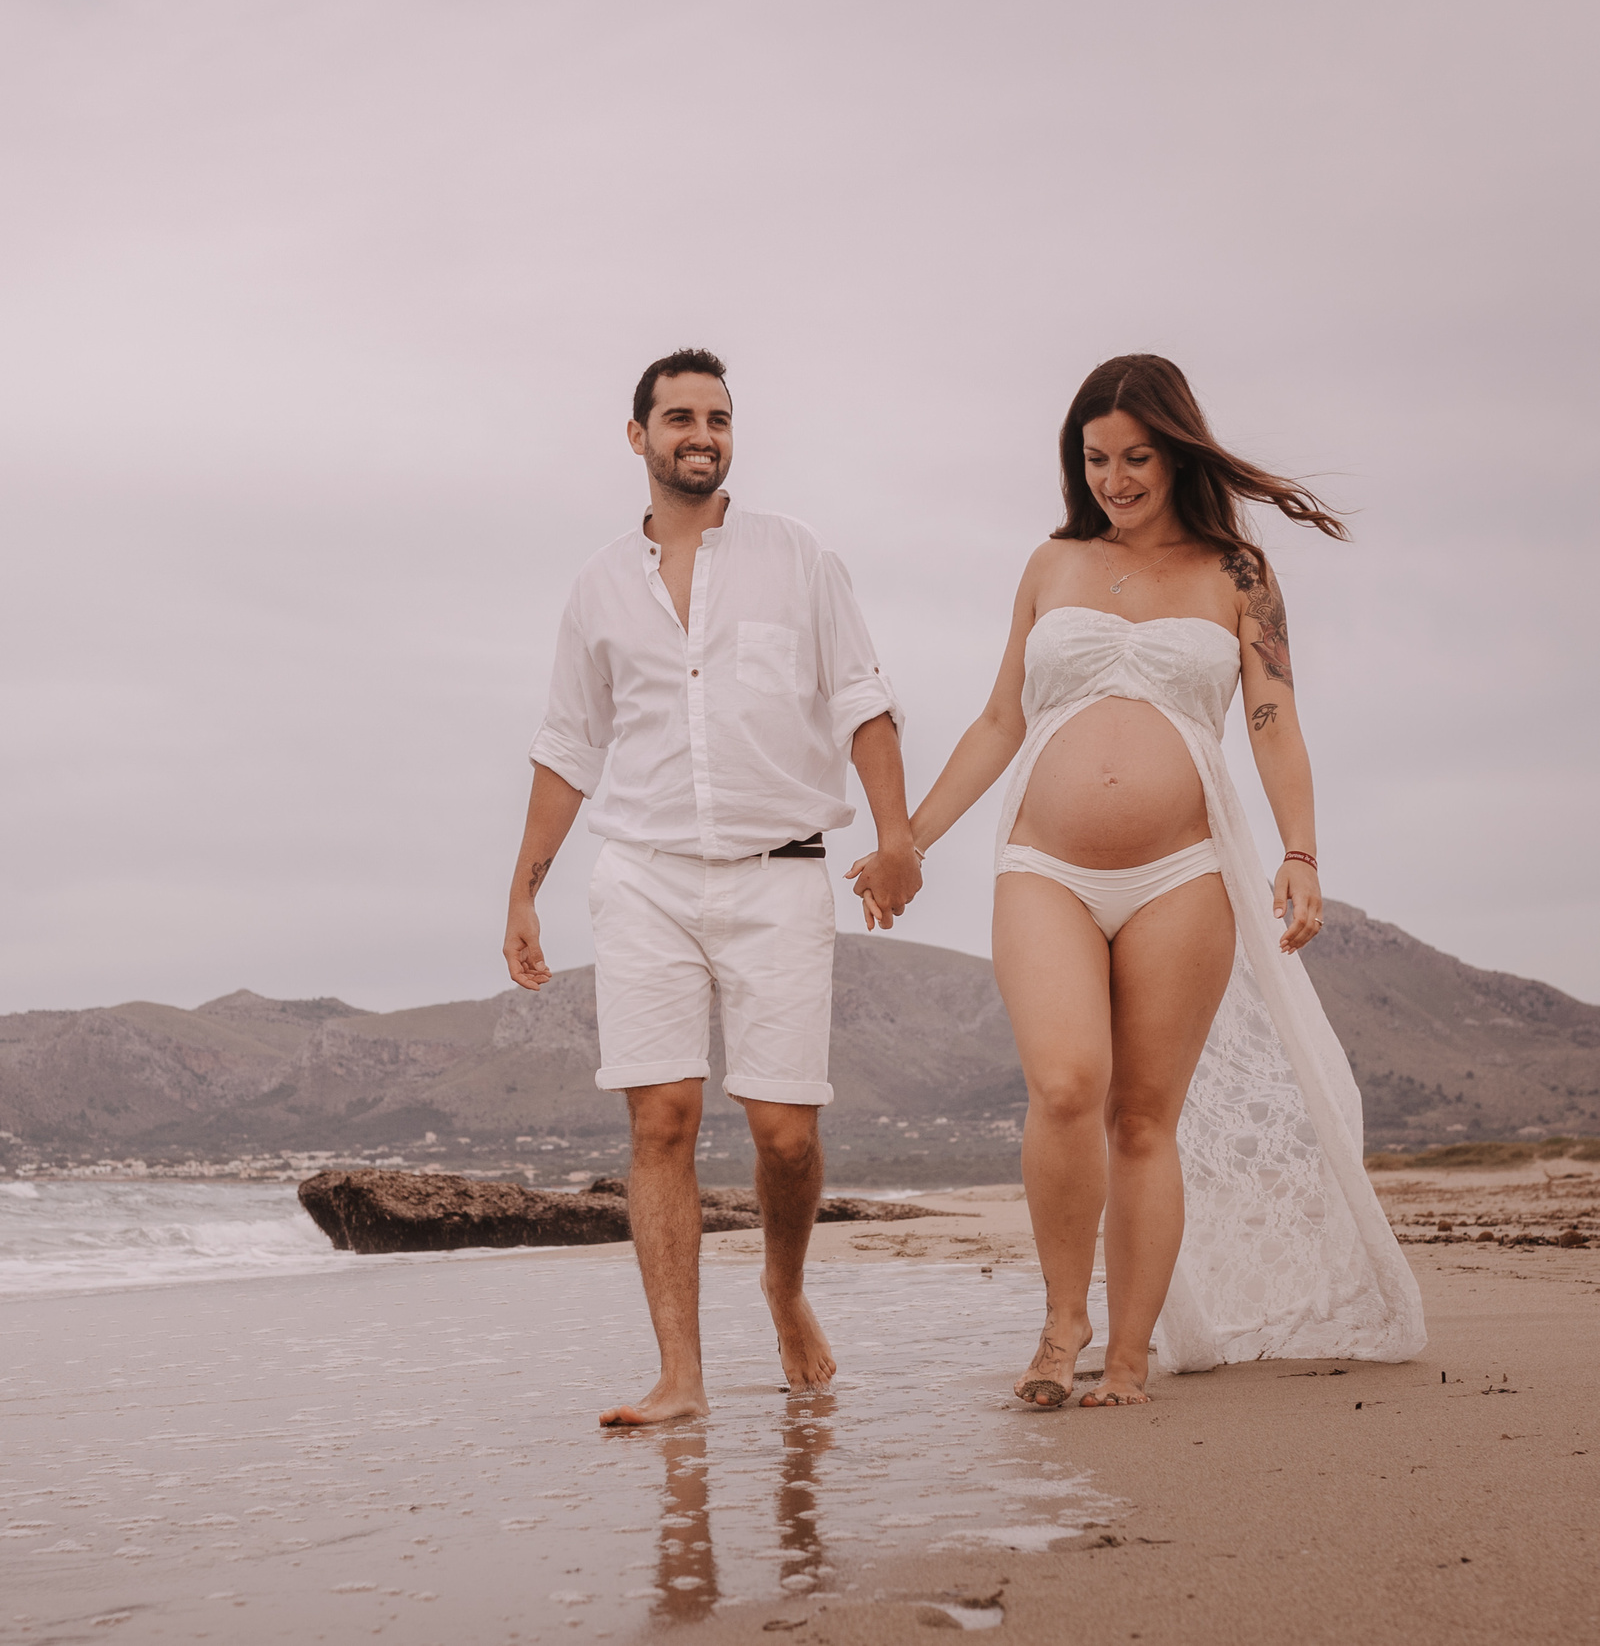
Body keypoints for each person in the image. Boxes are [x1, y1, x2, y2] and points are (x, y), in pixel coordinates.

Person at [873, 354, 1425, 1409]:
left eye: (1135, 458)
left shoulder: (1239, 574)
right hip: (1044, 865)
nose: (1114, 479)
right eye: (1095, 459)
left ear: (1176, 453)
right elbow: (1000, 719)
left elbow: (1272, 721)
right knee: (1065, 1085)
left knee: (1140, 1118)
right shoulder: (1051, 564)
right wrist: (912, 841)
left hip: (1184, 872)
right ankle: (1061, 1323)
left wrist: (1301, 851)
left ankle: (1127, 1356)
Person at [504, 348, 920, 1424]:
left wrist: (897, 837)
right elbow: (567, 747)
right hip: (643, 877)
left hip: (779, 875)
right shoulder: (597, 586)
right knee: (662, 1121)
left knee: (784, 1132)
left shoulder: (798, 557)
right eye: (680, 416)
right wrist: (523, 892)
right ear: (637, 435)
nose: (702, 434)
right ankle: (679, 1376)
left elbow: (863, 700)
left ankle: (783, 1287)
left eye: (718, 417)